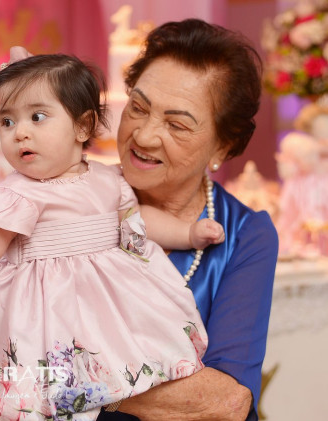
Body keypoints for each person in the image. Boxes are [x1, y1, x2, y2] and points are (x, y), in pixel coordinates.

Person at [0, 50, 226, 420]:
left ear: (83, 126)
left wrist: (187, 232)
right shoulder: (18, 194)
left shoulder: (108, 178)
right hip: (39, 309)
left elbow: (138, 221)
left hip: (103, 302)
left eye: (37, 117)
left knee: (119, 355)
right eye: (7, 121)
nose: (20, 132)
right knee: (32, 385)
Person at [97, 19, 278, 421]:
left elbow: (226, 401)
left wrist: (75, 383)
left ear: (223, 146)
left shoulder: (244, 234)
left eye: (176, 125)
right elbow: (5, 359)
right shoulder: (73, 198)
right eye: (138, 108)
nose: (144, 136)